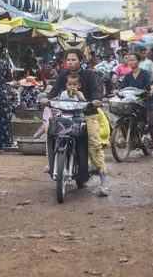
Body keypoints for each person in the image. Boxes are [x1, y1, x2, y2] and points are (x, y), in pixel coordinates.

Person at [41, 48, 109, 196]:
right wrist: (47, 98)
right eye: (68, 60)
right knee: (49, 128)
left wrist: (95, 100)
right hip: (66, 112)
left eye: (73, 59)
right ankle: (51, 161)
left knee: (94, 144)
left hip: (87, 113)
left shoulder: (89, 75)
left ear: (81, 61)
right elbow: (54, 91)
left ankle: (103, 178)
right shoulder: (63, 76)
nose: (70, 62)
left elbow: (96, 91)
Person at [120, 53, 153, 157]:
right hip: (133, 103)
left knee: (152, 122)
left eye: (133, 60)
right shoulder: (128, 76)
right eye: (129, 60)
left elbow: (151, 83)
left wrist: (152, 89)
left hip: (147, 102)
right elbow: (121, 88)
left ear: (138, 61)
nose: (131, 62)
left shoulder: (144, 73)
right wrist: (117, 91)